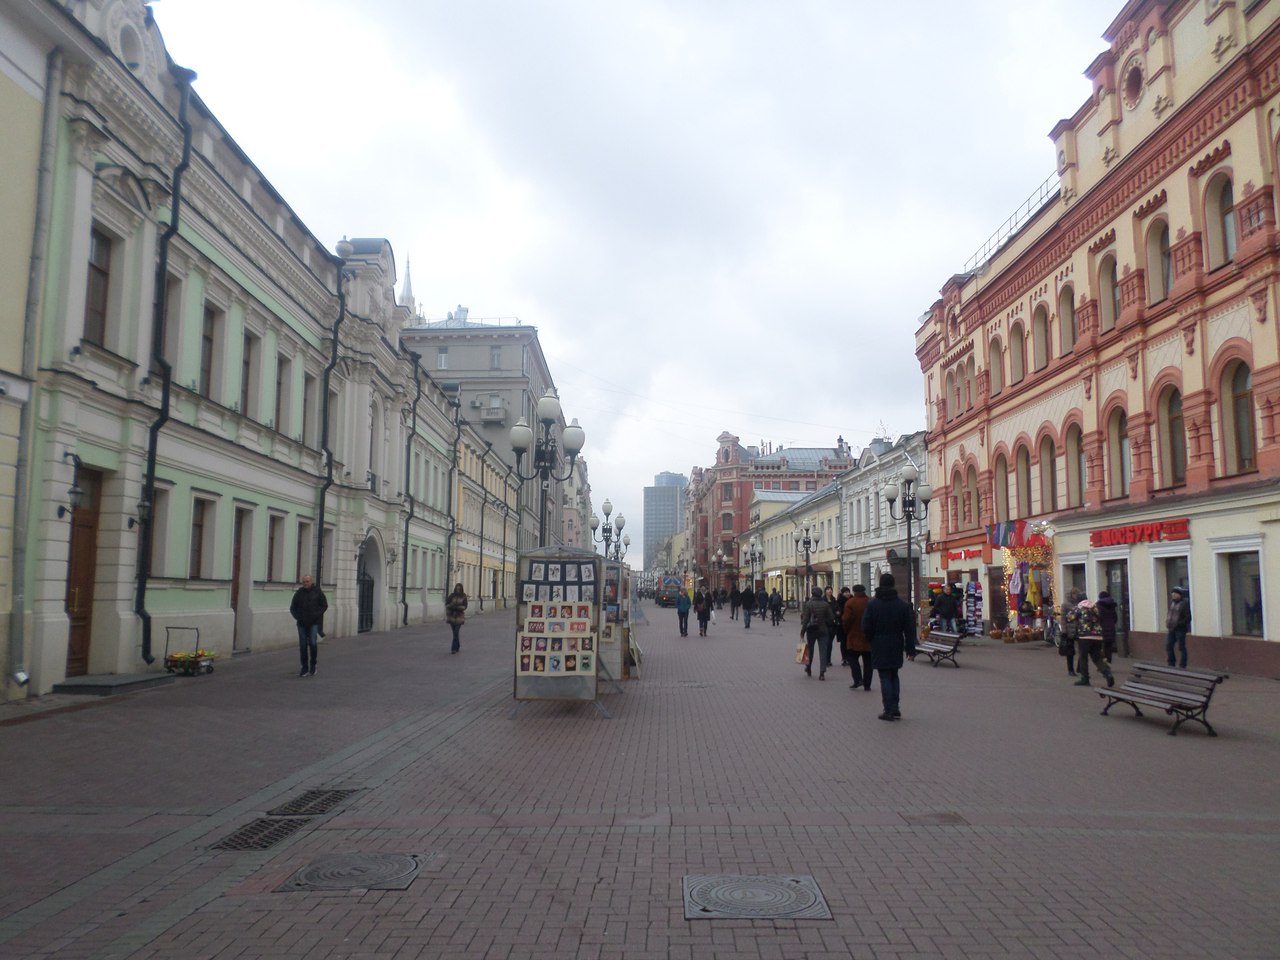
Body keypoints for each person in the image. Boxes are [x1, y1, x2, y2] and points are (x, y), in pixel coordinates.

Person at [862, 572, 917, 720]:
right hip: (896, 643)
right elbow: (910, 629)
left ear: (880, 584)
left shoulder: (873, 604)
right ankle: (895, 707)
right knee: (894, 674)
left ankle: (888, 709)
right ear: (893, 584)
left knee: (884, 676)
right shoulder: (902, 605)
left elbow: (866, 626)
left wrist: (871, 639)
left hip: (879, 643)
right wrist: (911, 649)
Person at [1072, 593, 1114, 688]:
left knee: (1083, 657)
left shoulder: (1079, 608)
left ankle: (1085, 678)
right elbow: (1100, 617)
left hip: (1084, 637)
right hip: (1097, 636)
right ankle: (1107, 673)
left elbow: (1069, 617)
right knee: (1097, 657)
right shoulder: (1095, 607)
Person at [290, 574, 327, 677]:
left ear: (311, 582)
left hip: (313, 623)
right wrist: (298, 617)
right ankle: (304, 667)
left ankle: (313, 665)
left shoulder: (317, 592)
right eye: (304, 582)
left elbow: (324, 605)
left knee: (313, 643)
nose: (305, 583)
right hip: (301, 623)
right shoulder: (299, 593)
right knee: (302, 645)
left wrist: (316, 615)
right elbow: (293, 607)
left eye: (307, 581)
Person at [841, 584, 872, 691]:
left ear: (854, 591)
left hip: (854, 635)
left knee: (852, 658)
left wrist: (846, 630)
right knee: (868, 661)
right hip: (868, 636)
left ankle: (858, 679)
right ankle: (867, 684)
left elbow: (846, 619)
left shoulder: (850, 602)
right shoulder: (870, 601)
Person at [801, 586, 836, 679]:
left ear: (812, 594)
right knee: (823, 651)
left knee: (810, 650)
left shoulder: (808, 604)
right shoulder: (825, 604)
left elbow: (805, 620)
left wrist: (802, 632)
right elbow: (831, 618)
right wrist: (824, 622)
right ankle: (822, 672)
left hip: (811, 630)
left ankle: (808, 668)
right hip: (823, 630)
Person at [1166, 587, 1191, 668]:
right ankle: (1171, 663)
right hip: (1171, 628)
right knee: (1169, 645)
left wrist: (1179, 624)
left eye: (1175, 593)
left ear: (1179, 595)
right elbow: (1170, 614)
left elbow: (1188, 618)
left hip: (1180, 629)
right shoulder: (1172, 603)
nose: (1173, 595)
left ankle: (1183, 665)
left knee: (1181, 647)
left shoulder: (1184, 604)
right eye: (1172, 593)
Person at [1059, 589, 1080, 677]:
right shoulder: (1065, 605)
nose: (1075, 595)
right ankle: (1070, 670)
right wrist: (1064, 630)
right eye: (1074, 594)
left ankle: (1080, 668)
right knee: (1070, 651)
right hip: (1069, 630)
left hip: (1079, 629)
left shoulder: (1079, 604)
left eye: (1076, 594)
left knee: (1082, 650)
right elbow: (1063, 618)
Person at [1096, 590, 1119, 663]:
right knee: (1109, 647)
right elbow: (1115, 618)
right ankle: (1108, 663)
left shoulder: (1098, 606)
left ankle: (1102, 664)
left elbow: (1097, 618)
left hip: (1101, 630)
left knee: (1100, 647)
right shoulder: (1112, 606)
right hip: (1111, 629)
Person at [445, 583, 468, 653]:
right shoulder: (452, 596)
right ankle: (457, 645)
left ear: (461, 589)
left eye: (459, 589)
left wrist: (458, 607)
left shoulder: (463, 596)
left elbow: (465, 606)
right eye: (457, 588)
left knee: (456, 632)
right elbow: (446, 604)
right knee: (454, 633)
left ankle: (453, 649)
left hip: (459, 616)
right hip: (452, 616)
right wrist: (451, 606)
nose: (458, 590)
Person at [831, 586, 850, 665]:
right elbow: (837, 612)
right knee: (843, 642)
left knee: (849, 642)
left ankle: (850, 657)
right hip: (842, 625)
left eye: (848, 592)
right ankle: (844, 658)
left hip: (850, 625)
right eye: (845, 592)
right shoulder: (839, 601)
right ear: (842, 593)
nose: (847, 594)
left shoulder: (852, 600)